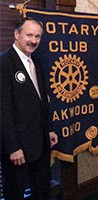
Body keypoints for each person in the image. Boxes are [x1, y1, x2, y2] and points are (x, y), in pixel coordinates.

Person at [0, 17, 58, 200]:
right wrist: (13, 147)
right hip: (18, 149)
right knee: (15, 193)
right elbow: (3, 110)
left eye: (38, 37)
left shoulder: (35, 62)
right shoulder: (4, 64)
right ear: (17, 34)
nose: (34, 41)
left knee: (42, 190)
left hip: (40, 143)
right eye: (29, 35)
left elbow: (41, 102)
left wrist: (48, 130)